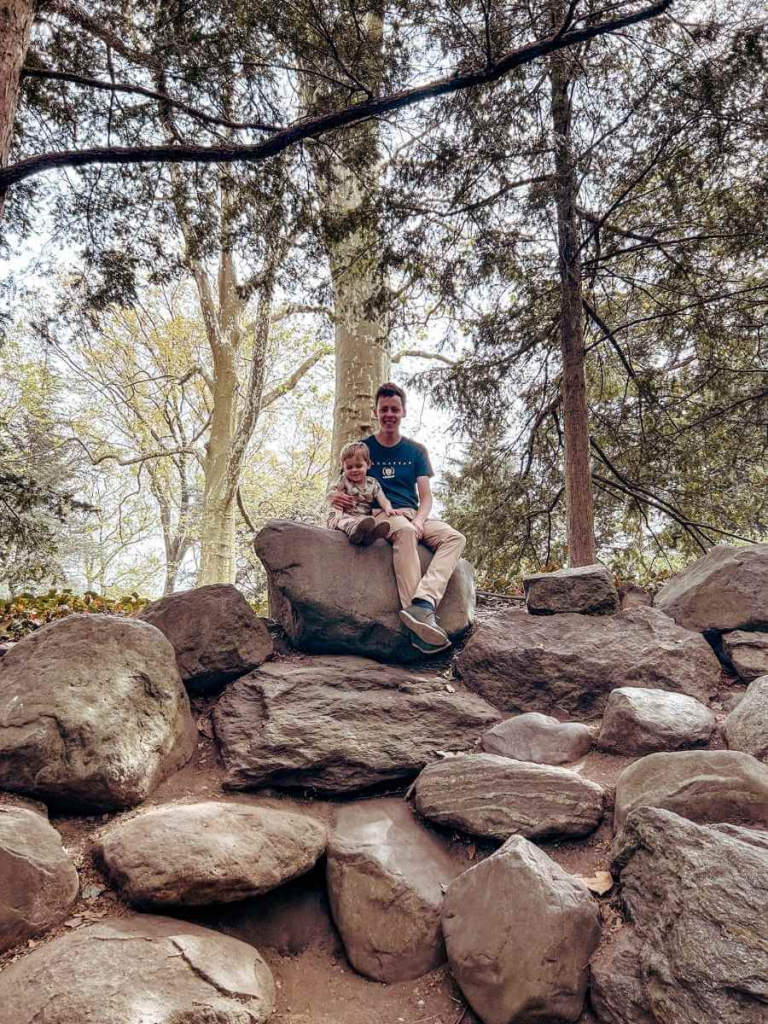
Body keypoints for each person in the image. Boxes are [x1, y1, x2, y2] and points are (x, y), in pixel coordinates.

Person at [330, 382, 466, 655]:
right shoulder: (362, 449)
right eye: (384, 410)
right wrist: (334, 498)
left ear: (403, 411)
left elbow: (426, 497)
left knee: (455, 537)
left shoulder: (416, 451)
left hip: (415, 513)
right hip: (381, 514)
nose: (389, 414)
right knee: (403, 531)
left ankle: (423, 604)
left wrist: (419, 521)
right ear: (376, 412)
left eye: (394, 409)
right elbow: (342, 482)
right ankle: (420, 625)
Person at [326, 440, 395, 545]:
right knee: (344, 520)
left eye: (358, 466)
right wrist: (333, 497)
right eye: (349, 467)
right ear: (343, 468)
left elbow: (383, 499)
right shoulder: (344, 480)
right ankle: (353, 531)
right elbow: (333, 494)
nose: (354, 470)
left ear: (368, 464)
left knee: (370, 522)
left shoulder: (372, 483)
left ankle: (369, 536)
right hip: (343, 514)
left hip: (362, 517)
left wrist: (388, 509)